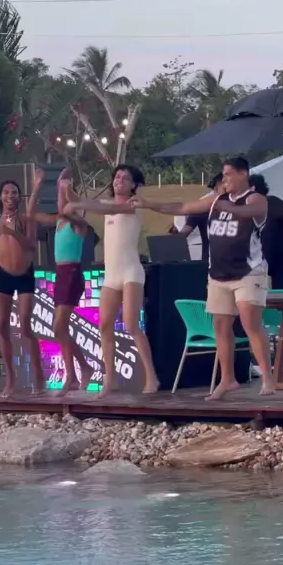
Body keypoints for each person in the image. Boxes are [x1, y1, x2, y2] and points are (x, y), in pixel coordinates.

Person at [135, 156, 275, 400]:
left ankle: (268, 378)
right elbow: (182, 208)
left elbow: (249, 211)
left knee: (250, 324)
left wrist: (223, 206)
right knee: (220, 326)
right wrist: (149, 204)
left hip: (248, 271)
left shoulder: (255, 198)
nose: (224, 179)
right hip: (218, 273)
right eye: (223, 175)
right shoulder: (216, 200)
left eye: (229, 174)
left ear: (243, 174)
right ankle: (227, 379)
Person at [64, 164, 159, 399]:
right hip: (112, 275)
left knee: (131, 324)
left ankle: (151, 376)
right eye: (116, 177)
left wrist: (77, 201)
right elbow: (81, 201)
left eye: (125, 178)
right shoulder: (107, 205)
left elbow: (94, 206)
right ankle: (109, 380)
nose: (119, 181)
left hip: (131, 273)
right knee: (104, 326)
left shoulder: (133, 205)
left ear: (133, 185)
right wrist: (65, 188)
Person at [0, 171, 44, 398]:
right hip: (3, 275)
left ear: (19, 196)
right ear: (0, 196)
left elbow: (31, 245)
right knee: (1, 325)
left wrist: (10, 232)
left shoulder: (25, 219)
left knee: (25, 325)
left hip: (24, 273)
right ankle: (10, 378)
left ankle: (38, 375)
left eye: (14, 192)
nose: (10, 196)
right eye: (6, 192)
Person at [53, 169, 94, 396]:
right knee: (58, 329)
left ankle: (76, 373)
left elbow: (66, 208)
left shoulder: (79, 223)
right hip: (60, 273)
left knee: (60, 327)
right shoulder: (61, 221)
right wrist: (60, 185)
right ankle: (76, 372)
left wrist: (67, 190)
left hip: (71, 273)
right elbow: (61, 207)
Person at [170, 173, 222, 261]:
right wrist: (174, 234)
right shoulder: (201, 209)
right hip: (210, 262)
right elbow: (184, 234)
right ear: (216, 190)